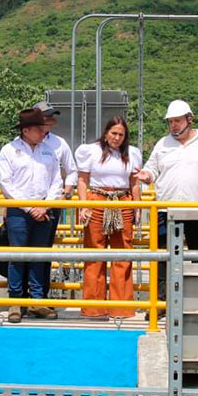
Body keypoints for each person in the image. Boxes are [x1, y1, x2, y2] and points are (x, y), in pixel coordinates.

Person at [133, 99, 198, 311]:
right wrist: (146, 175)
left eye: (177, 120)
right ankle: (162, 305)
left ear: (189, 119)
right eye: (170, 121)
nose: (173, 125)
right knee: (163, 259)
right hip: (167, 211)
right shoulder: (162, 144)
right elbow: (152, 169)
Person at [0, 108, 64, 322]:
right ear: (26, 130)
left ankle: (37, 300)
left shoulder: (48, 151)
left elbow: (56, 181)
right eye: (39, 128)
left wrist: (46, 205)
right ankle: (15, 302)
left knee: (39, 255)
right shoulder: (9, 150)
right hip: (19, 210)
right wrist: (29, 207)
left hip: (43, 209)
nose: (44, 131)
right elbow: (5, 183)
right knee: (17, 256)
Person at [75, 116, 141, 319]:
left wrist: (138, 207)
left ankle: (121, 307)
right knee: (95, 253)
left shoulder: (132, 153)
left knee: (123, 253)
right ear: (106, 133)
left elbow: (135, 182)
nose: (117, 138)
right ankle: (94, 307)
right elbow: (82, 180)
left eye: (121, 134)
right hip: (97, 201)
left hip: (123, 201)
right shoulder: (91, 151)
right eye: (114, 133)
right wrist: (83, 205)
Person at [34, 101, 77, 300]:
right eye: (46, 116)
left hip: (51, 204)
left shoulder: (59, 143)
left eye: (52, 116)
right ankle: (19, 297)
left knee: (44, 252)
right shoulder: (19, 144)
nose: (51, 120)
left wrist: (65, 194)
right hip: (25, 205)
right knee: (18, 252)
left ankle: (40, 296)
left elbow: (72, 170)